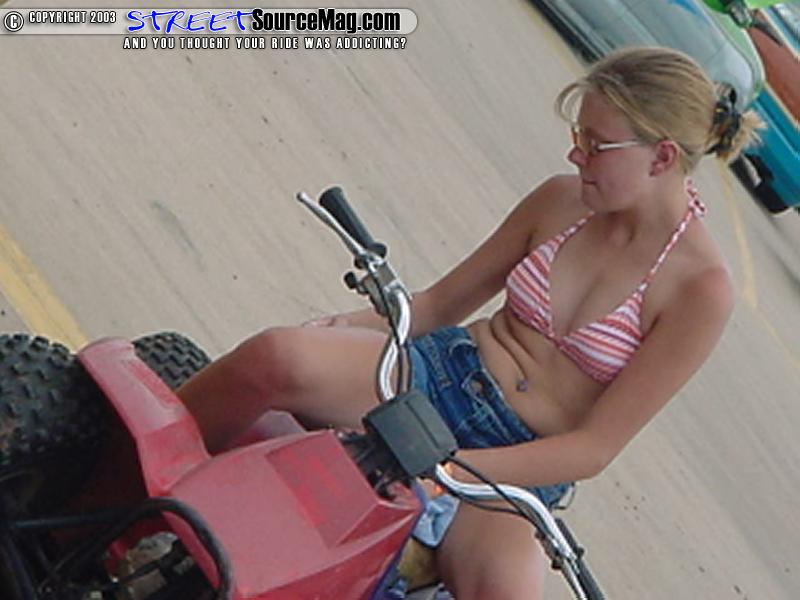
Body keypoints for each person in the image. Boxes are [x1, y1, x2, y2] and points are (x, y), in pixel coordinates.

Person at [177, 47, 761, 599]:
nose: (575, 154)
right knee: (277, 356)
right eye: (577, 135)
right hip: (437, 380)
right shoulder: (560, 201)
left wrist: (451, 469)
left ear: (662, 157)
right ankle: (134, 501)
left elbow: (593, 447)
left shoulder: (699, 289)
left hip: (520, 465)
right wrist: (339, 325)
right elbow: (437, 306)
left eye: (596, 143)